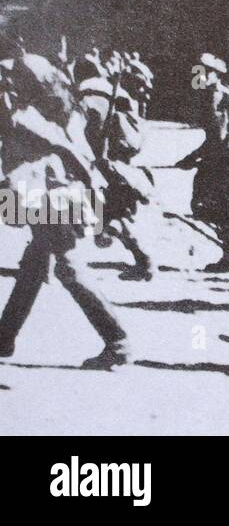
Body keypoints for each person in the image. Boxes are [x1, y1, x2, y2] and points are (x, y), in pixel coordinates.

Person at [0, 46, 130, 369]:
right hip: (44, 192)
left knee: (68, 266)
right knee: (34, 263)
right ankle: (3, 337)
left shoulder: (27, 119)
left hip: (49, 196)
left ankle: (118, 341)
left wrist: (95, 202)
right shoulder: (46, 106)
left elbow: (70, 155)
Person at [74, 56, 154, 281]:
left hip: (106, 167)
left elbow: (92, 132)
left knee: (110, 216)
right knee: (112, 215)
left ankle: (144, 261)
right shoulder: (111, 93)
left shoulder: (91, 96)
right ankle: (143, 260)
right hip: (118, 166)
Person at [177, 54, 229, 224]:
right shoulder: (219, 93)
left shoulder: (215, 96)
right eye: (198, 70)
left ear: (216, 74)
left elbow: (218, 140)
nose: (199, 74)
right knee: (208, 203)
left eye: (206, 71)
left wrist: (192, 157)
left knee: (204, 205)